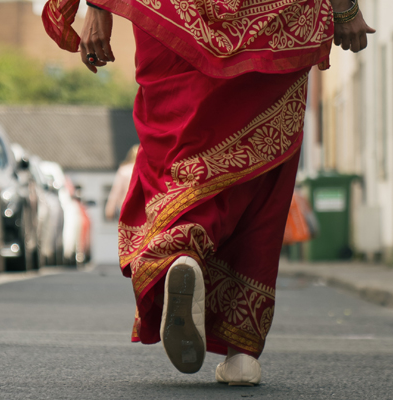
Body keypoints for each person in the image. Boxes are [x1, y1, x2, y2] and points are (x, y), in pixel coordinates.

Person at [42, 0, 375, 386]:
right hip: (274, 20)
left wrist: (99, 7)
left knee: (176, 144)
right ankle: (242, 351)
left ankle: (181, 249)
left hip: (172, 15)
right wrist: (345, 9)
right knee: (258, 169)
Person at [103, 145, 139, 221]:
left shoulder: (124, 170)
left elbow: (115, 192)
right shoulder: (144, 170)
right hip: (142, 208)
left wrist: (109, 209)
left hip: (126, 207)